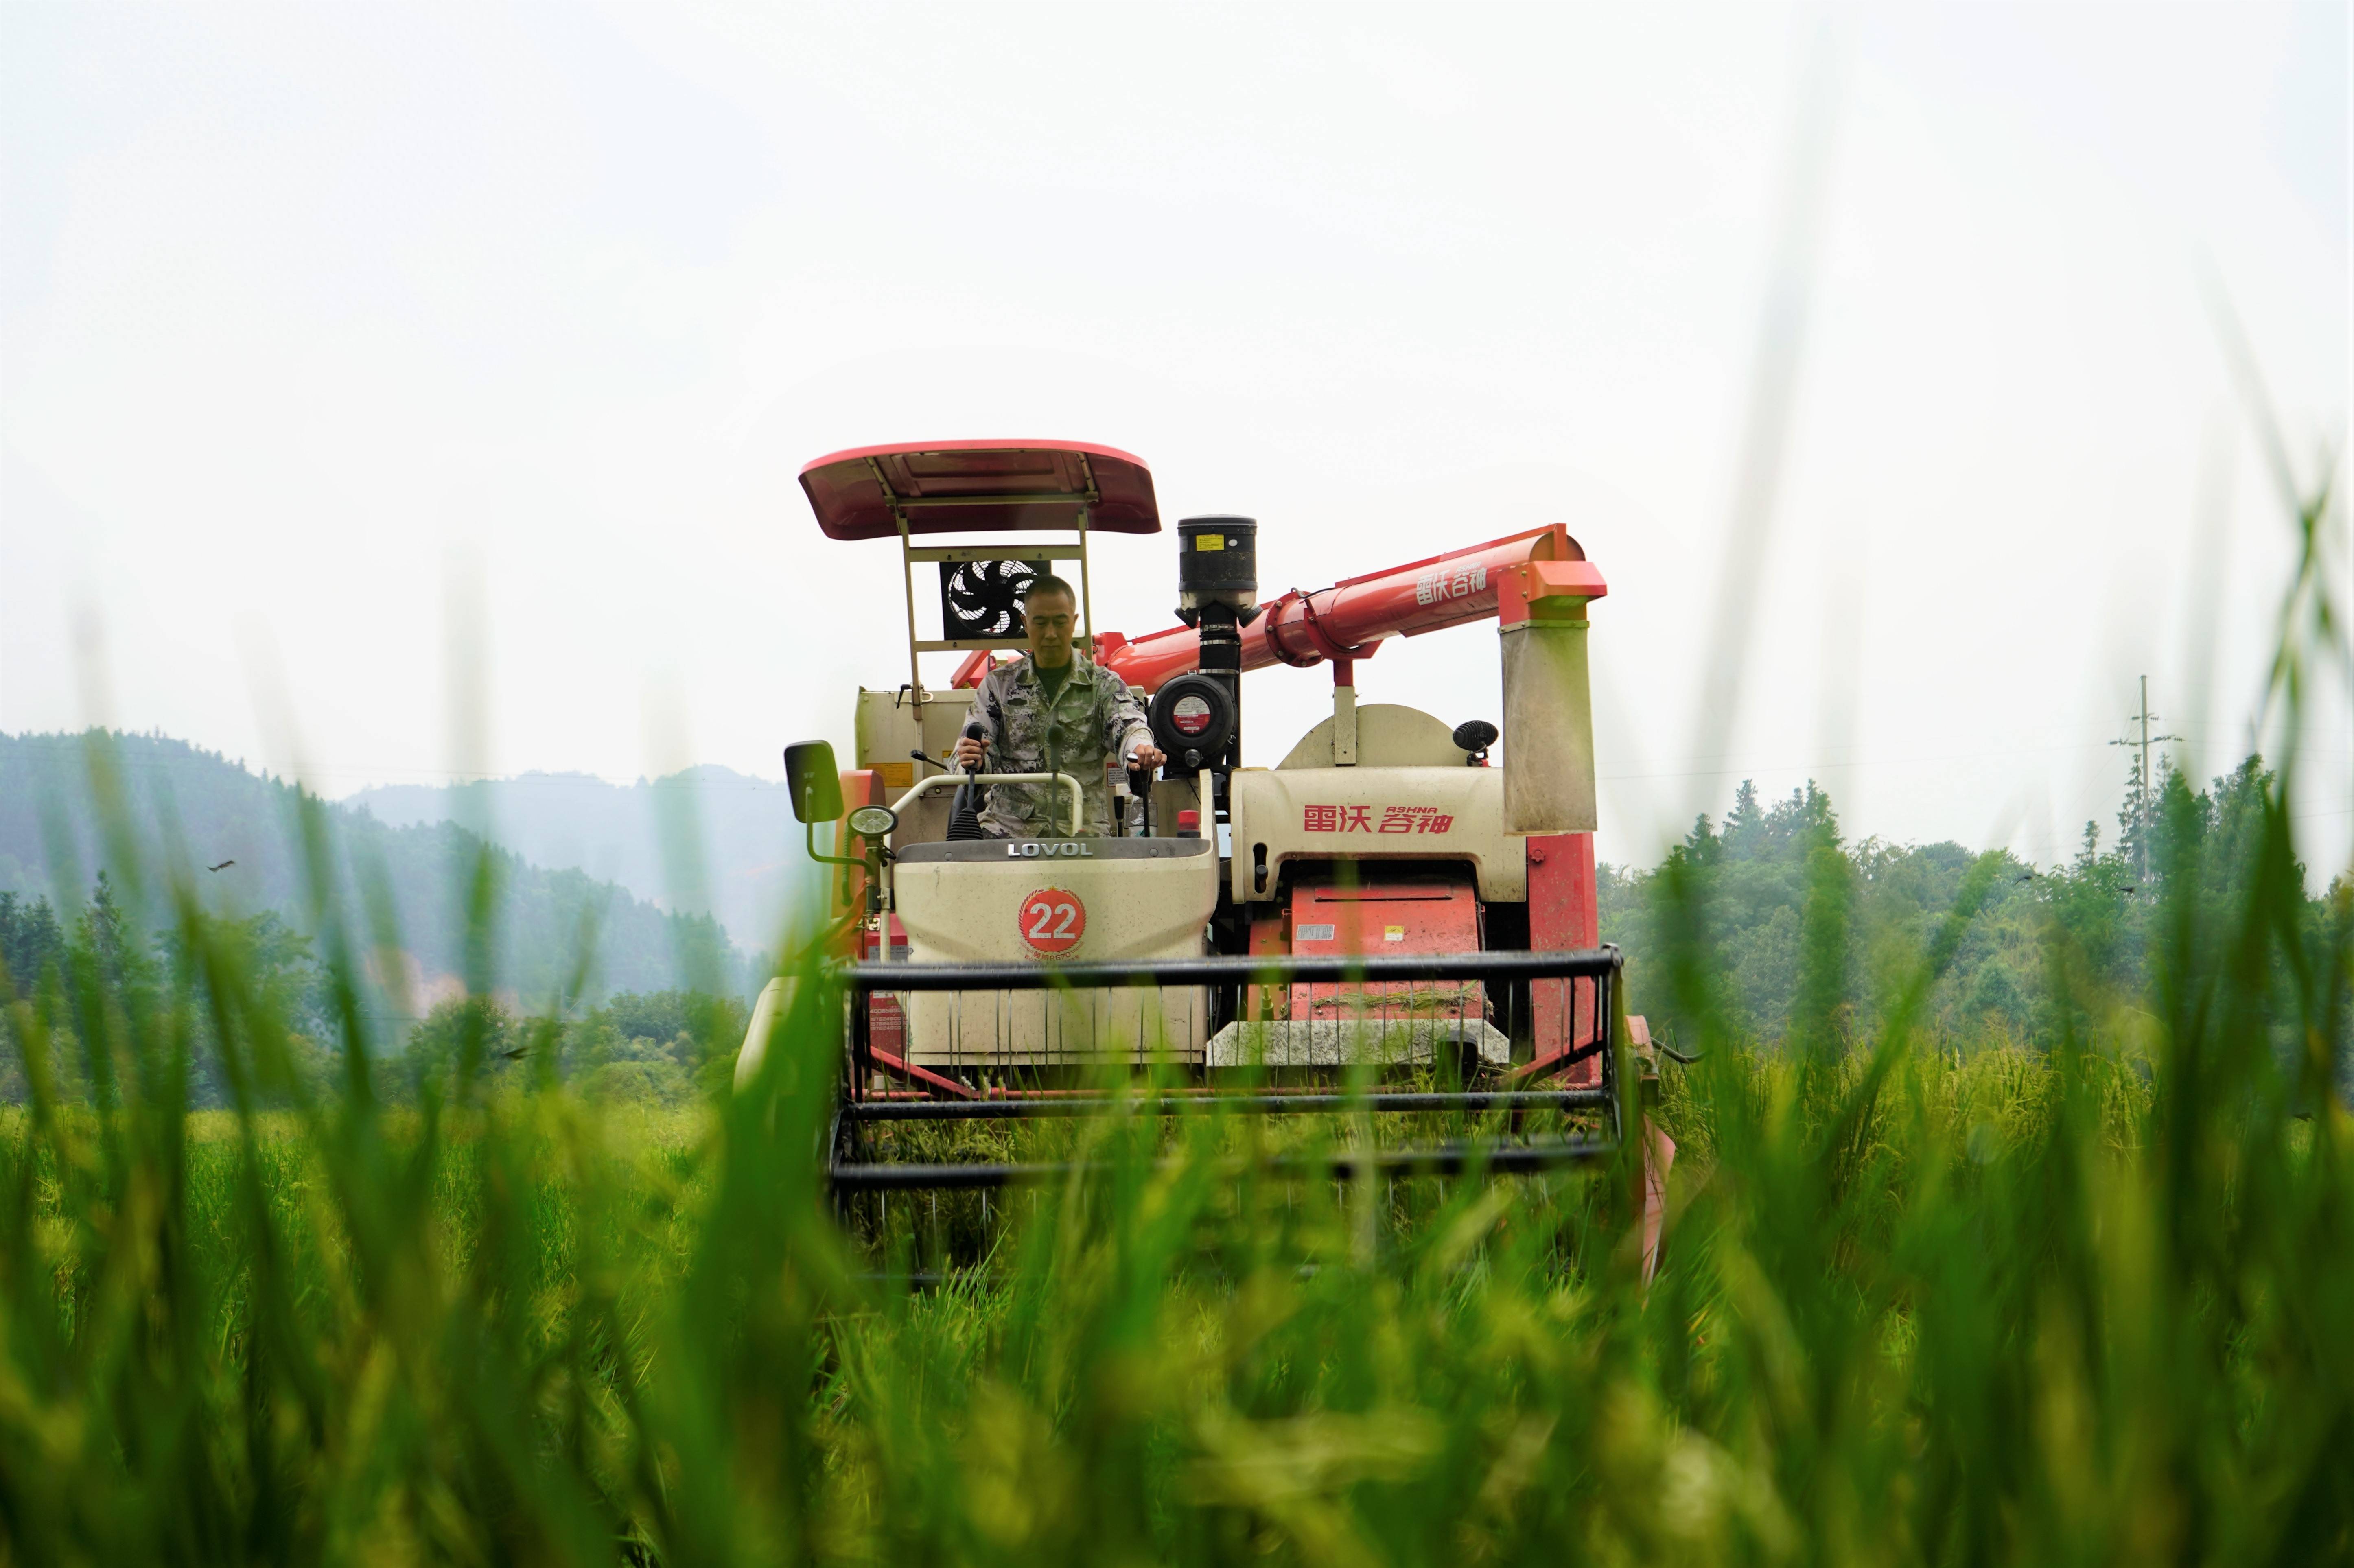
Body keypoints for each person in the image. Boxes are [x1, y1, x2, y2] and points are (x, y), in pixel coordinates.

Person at [952, 574, 1166, 837]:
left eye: (1060, 622)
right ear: (1025, 623)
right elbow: (968, 752)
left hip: (1082, 831)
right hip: (1007, 831)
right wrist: (972, 760)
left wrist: (1140, 749)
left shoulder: (1103, 684)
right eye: (1041, 623)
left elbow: (1129, 725)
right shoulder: (998, 686)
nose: (1051, 634)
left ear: (1074, 622)